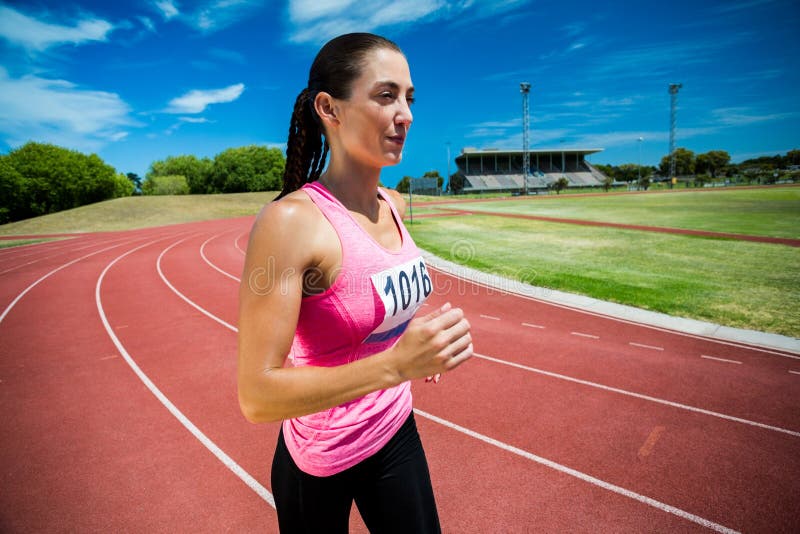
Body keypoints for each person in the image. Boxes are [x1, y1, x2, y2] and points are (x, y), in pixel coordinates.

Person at [237, 32, 473, 533]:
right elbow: (257, 396)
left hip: (393, 429)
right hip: (319, 460)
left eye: (409, 98)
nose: (405, 114)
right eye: (386, 95)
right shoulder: (291, 223)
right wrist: (396, 363)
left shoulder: (395, 203)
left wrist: (414, 343)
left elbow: (368, 302)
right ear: (330, 108)